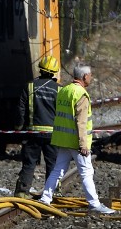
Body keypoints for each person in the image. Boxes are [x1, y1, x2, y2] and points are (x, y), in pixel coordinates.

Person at [38, 65, 116, 215]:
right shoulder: (81, 94)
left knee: (58, 170)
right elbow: (80, 122)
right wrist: (83, 144)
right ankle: (94, 204)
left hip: (63, 140)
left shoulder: (64, 91)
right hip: (76, 142)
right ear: (85, 77)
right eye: (90, 75)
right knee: (87, 172)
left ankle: (45, 199)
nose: (91, 78)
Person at [13, 55, 59, 198]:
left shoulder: (30, 86)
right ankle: (52, 192)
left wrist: (19, 126)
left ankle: (22, 191)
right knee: (53, 164)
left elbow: (21, 108)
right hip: (53, 134)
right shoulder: (59, 90)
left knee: (29, 163)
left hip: (33, 133)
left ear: (40, 69)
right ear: (54, 72)